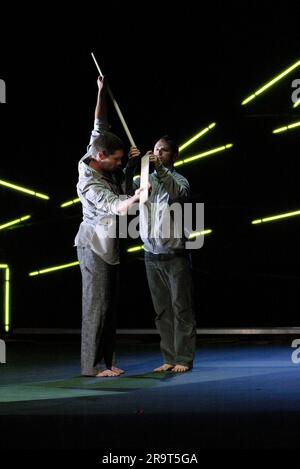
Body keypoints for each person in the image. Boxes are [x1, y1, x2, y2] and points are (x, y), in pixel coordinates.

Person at [75, 76, 141, 377]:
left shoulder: (96, 148)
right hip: (94, 245)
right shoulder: (89, 183)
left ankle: (107, 360)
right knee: (96, 306)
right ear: (100, 158)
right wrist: (136, 197)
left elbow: (99, 123)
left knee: (109, 307)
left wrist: (100, 91)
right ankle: (91, 366)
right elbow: (114, 205)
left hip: (111, 242)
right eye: (115, 160)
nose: (118, 163)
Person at [130, 137, 196, 373]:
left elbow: (178, 194)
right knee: (162, 311)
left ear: (174, 156)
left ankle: (184, 359)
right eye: (156, 149)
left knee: (181, 308)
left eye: (164, 150)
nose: (158, 153)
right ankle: (169, 357)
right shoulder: (145, 180)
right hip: (151, 253)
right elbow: (129, 191)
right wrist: (133, 166)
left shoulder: (179, 180)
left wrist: (158, 168)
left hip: (175, 253)